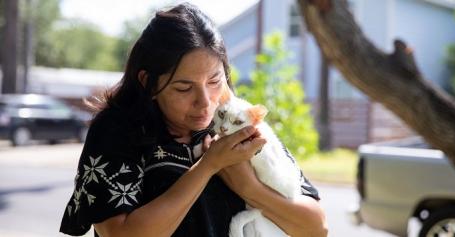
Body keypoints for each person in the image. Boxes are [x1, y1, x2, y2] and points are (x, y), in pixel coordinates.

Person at [60, 3, 328, 237]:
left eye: (214, 81)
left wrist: (250, 188)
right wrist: (208, 166)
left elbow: (316, 228)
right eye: (183, 88)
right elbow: (122, 234)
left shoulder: (234, 120)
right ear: (148, 82)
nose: (205, 101)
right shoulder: (118, 130)